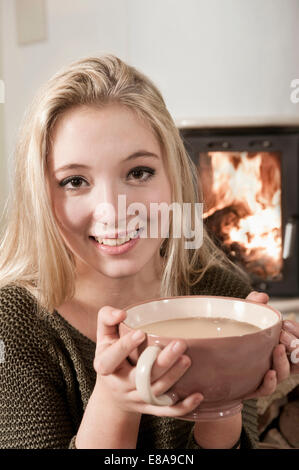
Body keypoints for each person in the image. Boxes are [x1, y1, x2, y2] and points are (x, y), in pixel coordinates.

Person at [0, 55, 297, 450]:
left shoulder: (221, 291)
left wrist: (229, 393)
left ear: (173, 176)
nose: (113, 208)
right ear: (41, 197)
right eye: (75, 181)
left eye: (139, 173)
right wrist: (114, 400)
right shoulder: (13, 323)